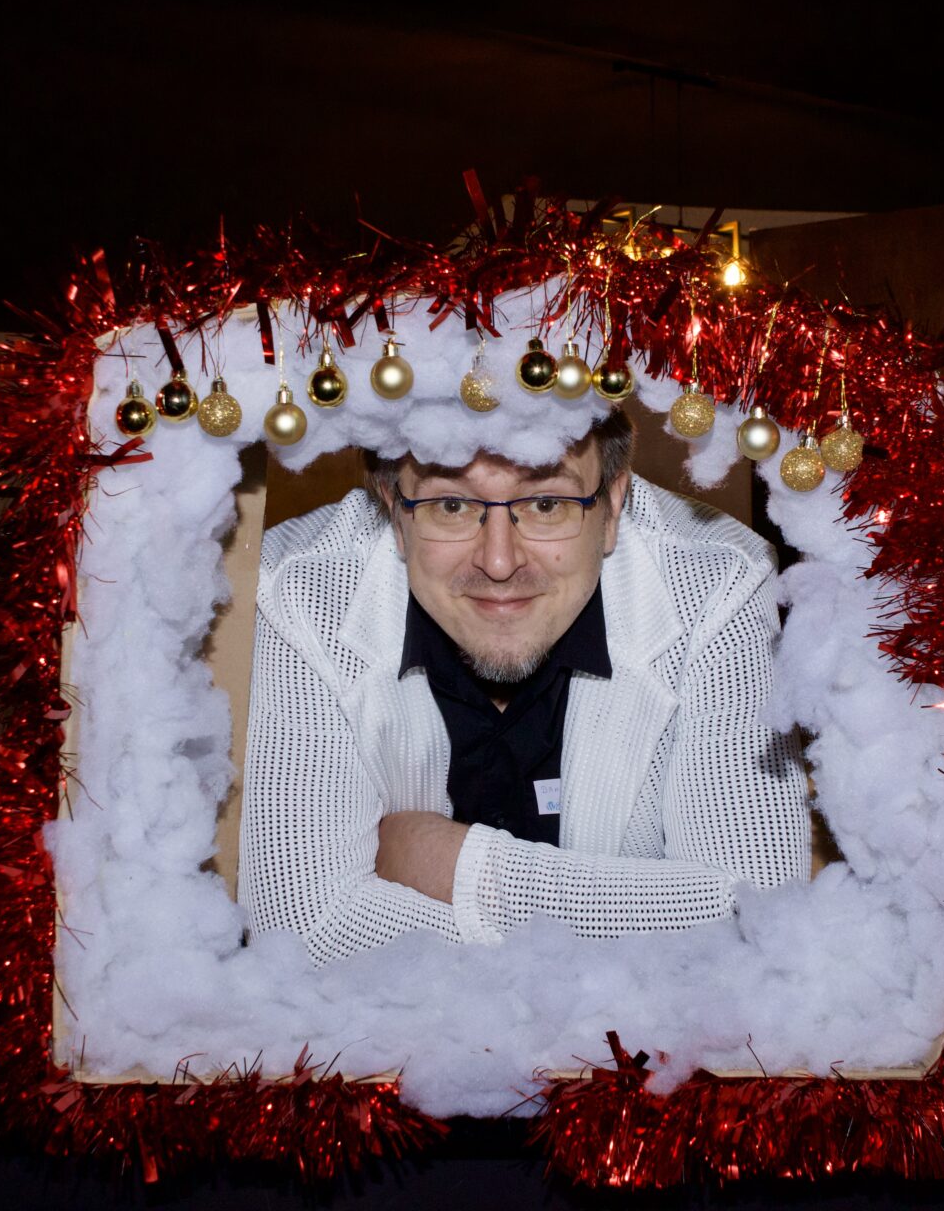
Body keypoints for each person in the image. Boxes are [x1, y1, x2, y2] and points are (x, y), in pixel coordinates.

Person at [238, 408, 810, 964]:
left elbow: (761, 922)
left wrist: (459, 865)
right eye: (452, 505)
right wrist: (642, 914)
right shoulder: (296, 592)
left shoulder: (718, 582)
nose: (499, 561)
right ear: (393, 508)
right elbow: (303, 935)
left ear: (613, 505)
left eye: (545, 503)